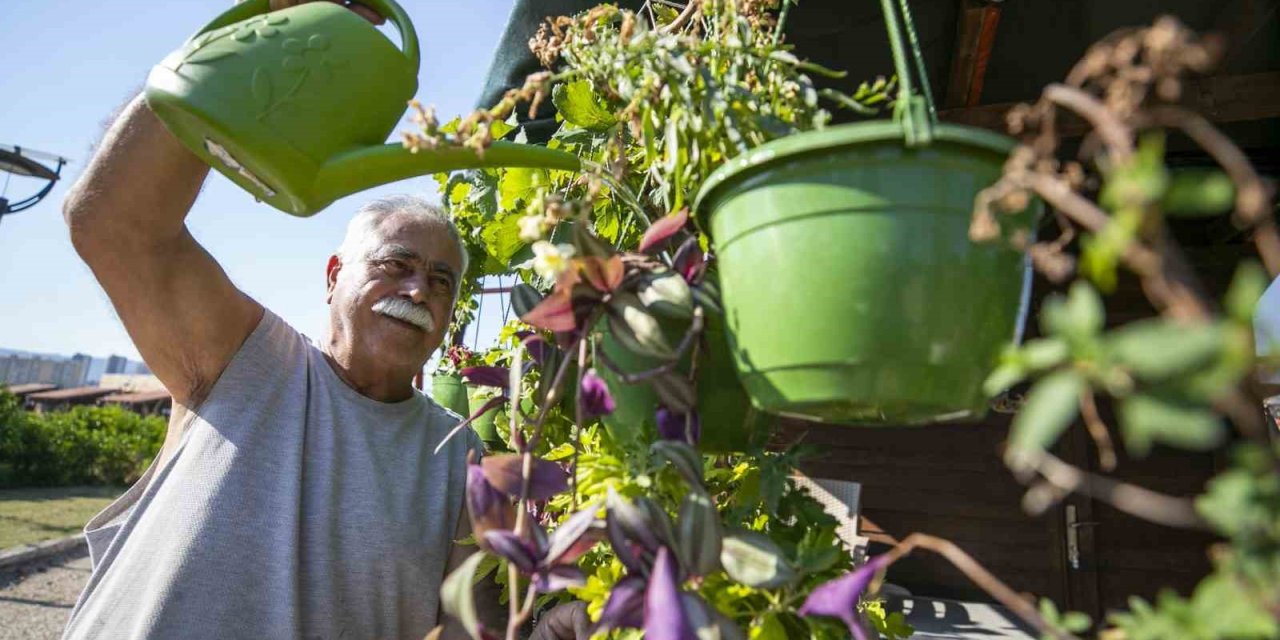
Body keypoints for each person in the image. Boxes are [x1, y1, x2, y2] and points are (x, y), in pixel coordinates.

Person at [59, 1, 587, 638]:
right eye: (397, 265)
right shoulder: (248, 360)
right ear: (335, 274)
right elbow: (111, 222)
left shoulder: (460, 456)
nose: (420, 290)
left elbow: (461, 623)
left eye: (443, 282)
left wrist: (543, 628)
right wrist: (243, 42)